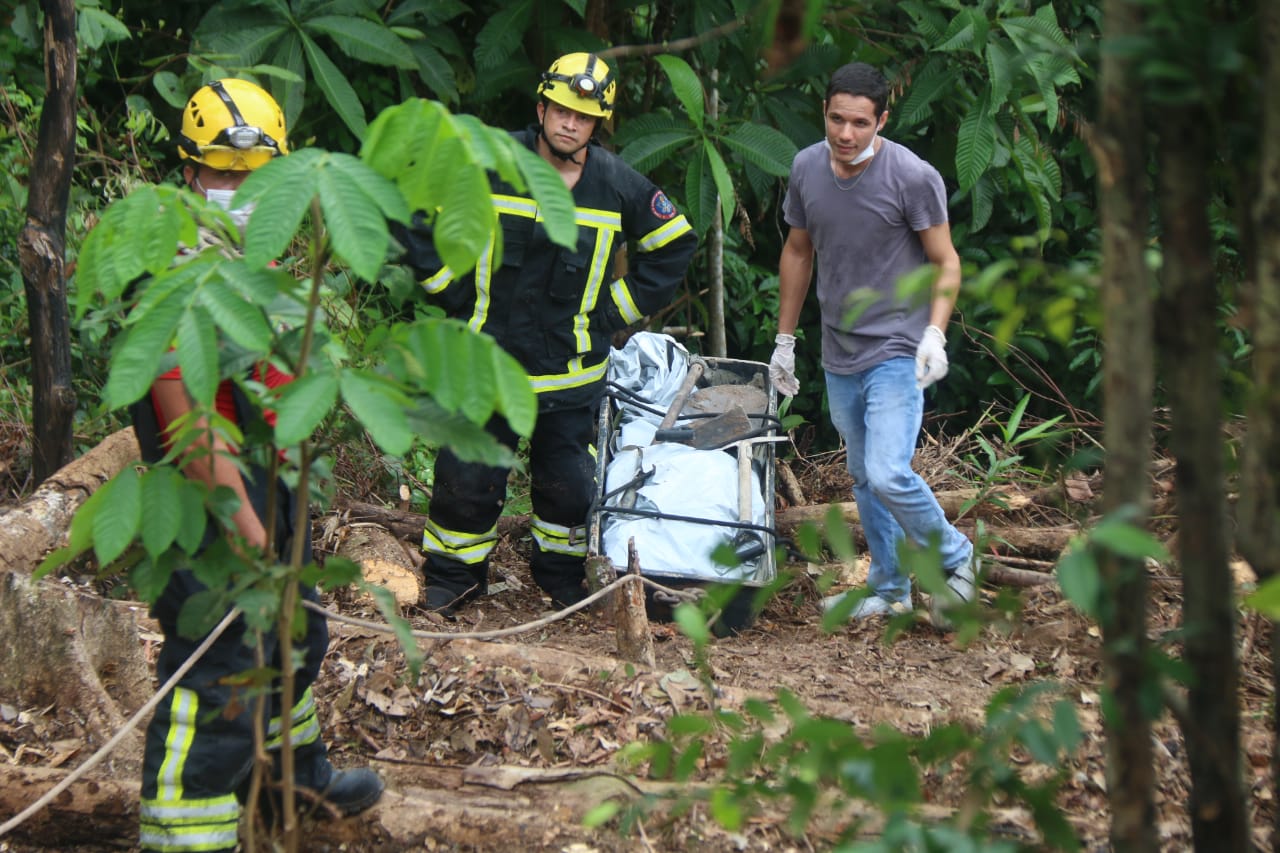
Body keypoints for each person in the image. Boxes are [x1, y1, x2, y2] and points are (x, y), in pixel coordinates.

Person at [132, 78, 383, 853]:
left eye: (254, 175)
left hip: (272, 478)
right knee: (223, 655)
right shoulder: (175, 270)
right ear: (189, 176)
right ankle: (184, 831)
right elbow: (191, 422)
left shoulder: (260, 256)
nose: (238, 190)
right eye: (221, 174)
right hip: (208, 492)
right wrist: (245, 527)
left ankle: (288, 777)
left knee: (296, 630)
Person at [397, 52, 697, 616]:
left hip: (571, 371)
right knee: (466, 479)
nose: (569, 124)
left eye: (583, 117)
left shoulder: (617, 186)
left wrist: (614, 311)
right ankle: (453, 579)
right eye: (561, 111)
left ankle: (559, 578)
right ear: (541, 108)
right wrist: (451, 290)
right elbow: (412, 211)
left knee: (569, 488)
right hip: (486, 364)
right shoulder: (489, 162)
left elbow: (675, 243)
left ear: (597, 126)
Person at [768, 62, 976, 625]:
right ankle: (890, 589)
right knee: (863, 477)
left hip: (899, 348)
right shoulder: (808, 168)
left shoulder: (912, 176)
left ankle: (957, 558)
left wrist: (934, 332)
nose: (845, 134)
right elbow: (797, 250)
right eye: (837, 119)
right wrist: (785, 340)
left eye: (860, 122)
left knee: (887, 471)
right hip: (839, 350)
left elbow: (946, 261)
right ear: (825, 114)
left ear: (881, 120)